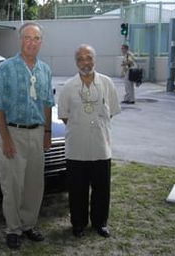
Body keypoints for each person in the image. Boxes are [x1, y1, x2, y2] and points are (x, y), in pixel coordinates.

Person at [0, 22, 54, 249]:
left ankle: (29, 225)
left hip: (36, 133)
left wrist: (47, 133)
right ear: (20, 40)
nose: (32, 42)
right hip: (12, 133)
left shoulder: (45, 70)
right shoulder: (5, 69)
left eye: (36, 38)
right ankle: (13, 229)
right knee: (12, 185)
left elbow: (47, 103)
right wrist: (5, 138)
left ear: (41, 42)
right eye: (28, 37)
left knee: (35, 184)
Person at [58, 44, 121, 239]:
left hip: (101, 145)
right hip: (76, 147)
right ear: (76, 62)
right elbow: (65, 116)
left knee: (102, 188)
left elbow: (111, 112)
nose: (85, 62)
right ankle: (78, 224)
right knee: (78, 190)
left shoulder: (107, 83)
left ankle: (100, 223)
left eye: (89, 58)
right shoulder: (68, 87)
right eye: (80, 59)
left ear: (95, 59)